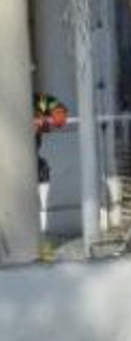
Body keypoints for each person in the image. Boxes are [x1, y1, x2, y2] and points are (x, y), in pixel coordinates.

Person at [33, 91, 68, 237]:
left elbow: (60, 114)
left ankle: (42, 233)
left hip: (32, 158)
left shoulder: (38, 100)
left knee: (42, 170)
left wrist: (46, 121)